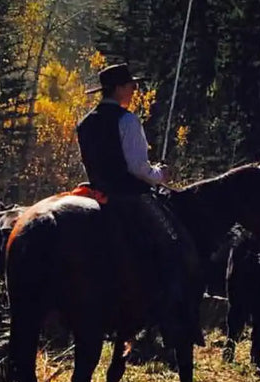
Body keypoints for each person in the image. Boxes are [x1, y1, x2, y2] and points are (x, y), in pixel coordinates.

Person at [75, 62, 203, 346]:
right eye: (131, 85)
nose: (135, 89)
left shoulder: (84, 123)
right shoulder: (127, 121)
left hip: (95, 192)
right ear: (119, 88)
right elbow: (137, 167)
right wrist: (159, 174)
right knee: (172, 244)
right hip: (130, 197)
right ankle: (169, 317)